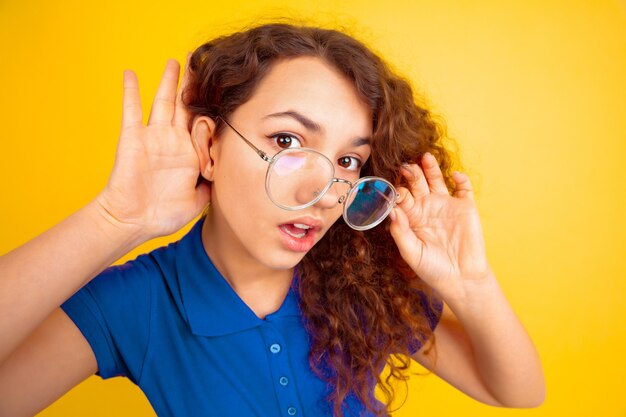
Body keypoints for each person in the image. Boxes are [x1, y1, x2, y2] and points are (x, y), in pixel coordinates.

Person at [0, 23, 545, 417]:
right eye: (287, 140)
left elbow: (517, 391)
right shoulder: (138, 302)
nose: (323, 191)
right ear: (209, 146)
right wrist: (114, 220)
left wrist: (471, 284)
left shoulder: (357, 290)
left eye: (348, 161)